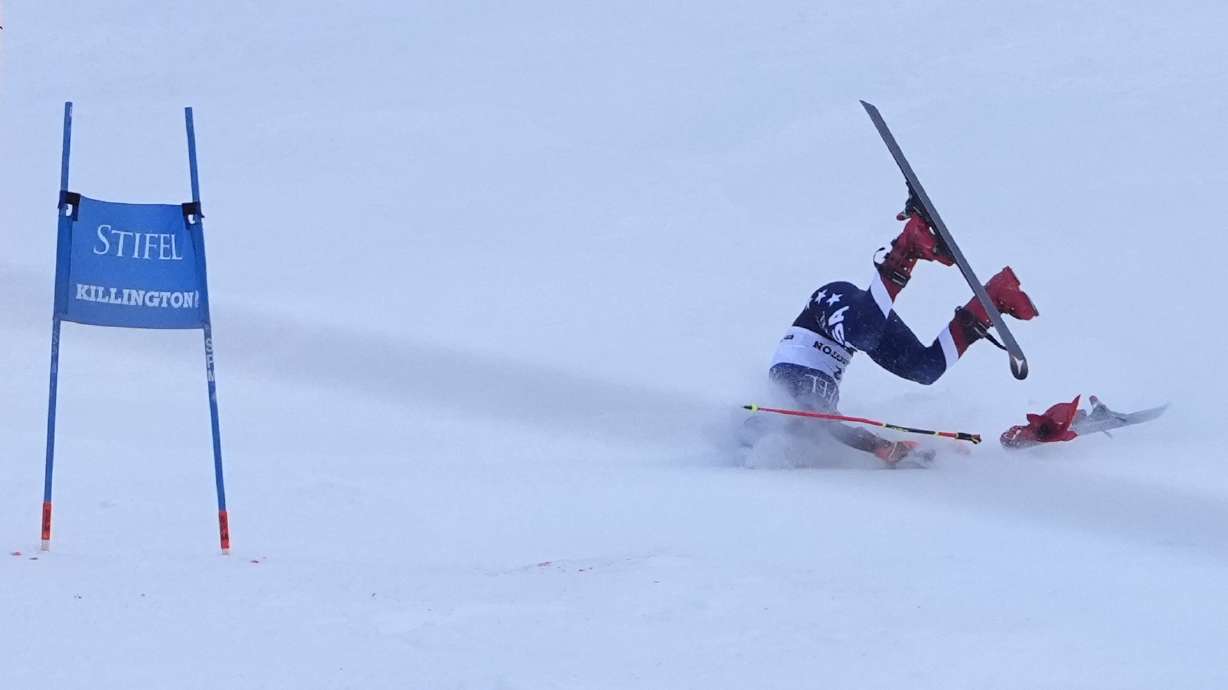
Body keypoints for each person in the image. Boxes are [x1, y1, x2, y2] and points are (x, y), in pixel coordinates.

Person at [763, 197, 1039, 464]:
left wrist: (881, 447)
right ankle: (991, 300)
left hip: (827, 309)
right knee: (925, 370)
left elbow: (825, 424)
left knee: (863, 334)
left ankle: (906, 247)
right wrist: (919, 453)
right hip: (857, 331)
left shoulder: (786, 401)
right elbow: (836, 427)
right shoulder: (819, 422)